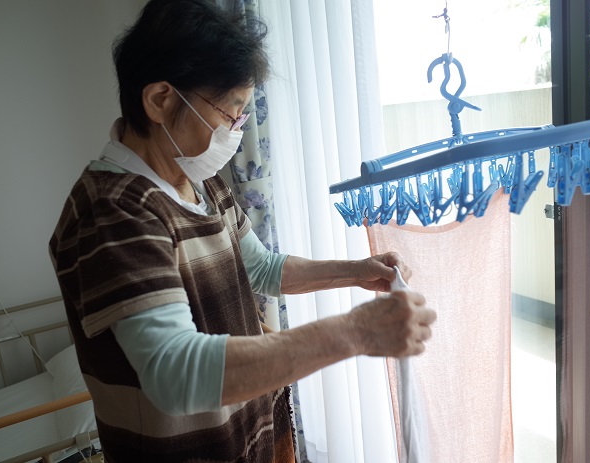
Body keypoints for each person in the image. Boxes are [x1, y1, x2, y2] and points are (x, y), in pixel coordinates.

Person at [49, 0, 436, 461]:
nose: (234, 132)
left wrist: (356, 271)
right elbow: (176, 373)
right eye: (229, 114)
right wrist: (355, 332)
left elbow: (260, 268)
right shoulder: (112, 211)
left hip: (251, 436)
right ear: (160, 100)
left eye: (242, 118)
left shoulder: (198, 180)